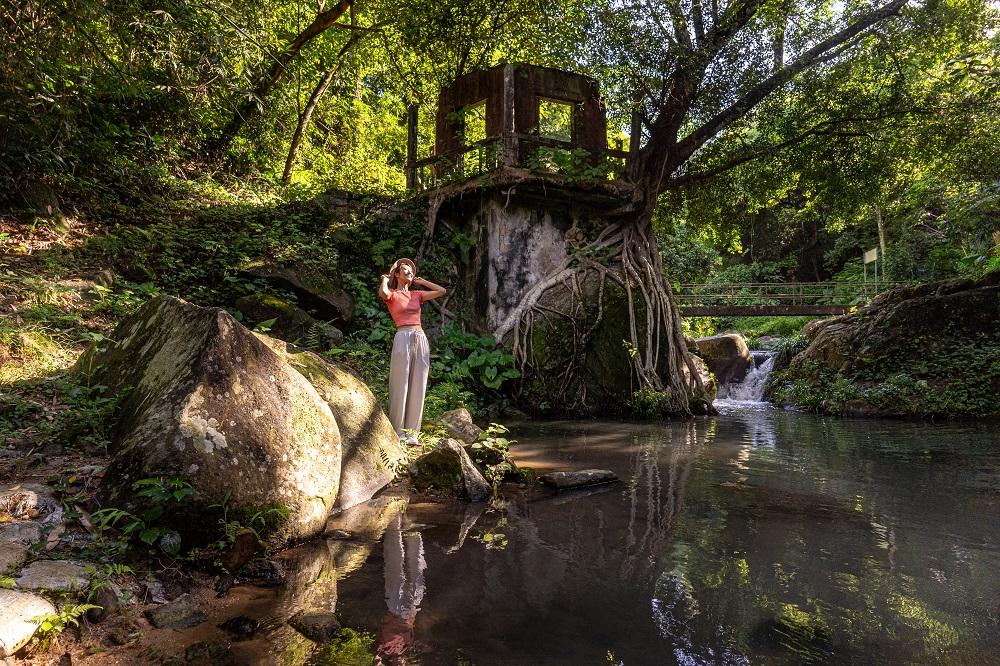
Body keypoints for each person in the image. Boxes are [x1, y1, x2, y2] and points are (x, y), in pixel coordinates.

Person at [379, 258, 447, 445]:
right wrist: (385, 278)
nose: (409, 273)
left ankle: (412, 434)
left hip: (420, 337)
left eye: (411, 271)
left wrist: (423, 282)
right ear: (398, 275)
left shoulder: (417, 294)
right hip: (402, 336)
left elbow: (442, 292)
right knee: (401, 383)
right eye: (406, 270)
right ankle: (398, 431)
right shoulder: (392, 294)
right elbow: (383, 293)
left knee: (418, 384)